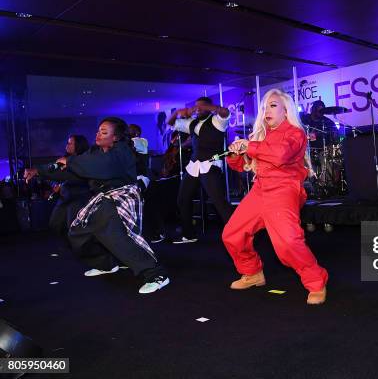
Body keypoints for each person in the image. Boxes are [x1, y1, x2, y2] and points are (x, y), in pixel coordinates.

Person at [25, 117, 170, 294]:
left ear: (115, 137)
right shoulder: (94, 152)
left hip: (121, 196)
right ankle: (105, 264)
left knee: (118, 238)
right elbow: (74, 173)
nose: (98, 135)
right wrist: (39, 171)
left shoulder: (122, 151)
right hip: (104, 198)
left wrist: (70, 161)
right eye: (98, 131)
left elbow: (103, 168)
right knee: (78, 232)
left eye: (104, 132)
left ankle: (156, 275)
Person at [222, 89, 328, 305]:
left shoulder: (295, 133)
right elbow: (243, 166)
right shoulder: (261, 135)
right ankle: (252, 273)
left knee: (288, 243)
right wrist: (235, 154)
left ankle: (316, 282)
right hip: (260, 189)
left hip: (284, 189)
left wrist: (249, 145)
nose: (266, 110)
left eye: (272, 105)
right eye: (264, 107)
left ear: (285, 109)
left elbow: (280, 155)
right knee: (232, 234)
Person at [166, 97, 232, 244]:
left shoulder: (217, 121)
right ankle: (188, 234)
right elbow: (169, 123)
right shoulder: (192, 123)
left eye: (202, 106)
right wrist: (177, 112)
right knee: (183, 199)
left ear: (209, 107)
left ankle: (239, 234)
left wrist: (206, 108)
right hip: (194, 165)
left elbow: (225, 112)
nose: (198, 109)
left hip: (210, 165)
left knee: (219, 203)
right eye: (196, 107)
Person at [46, 135, 90, 245]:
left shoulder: (84, 160)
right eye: (67, 142)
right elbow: (55, 176)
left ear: (78, 145)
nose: (67, 145)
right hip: (64, 196)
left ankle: (80, 247)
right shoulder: (63, 159)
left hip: (78, 196)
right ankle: (72, 244)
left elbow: (82, 178)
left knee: (73, 225)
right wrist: (56, 185)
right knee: (54, 223)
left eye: (70, 143)